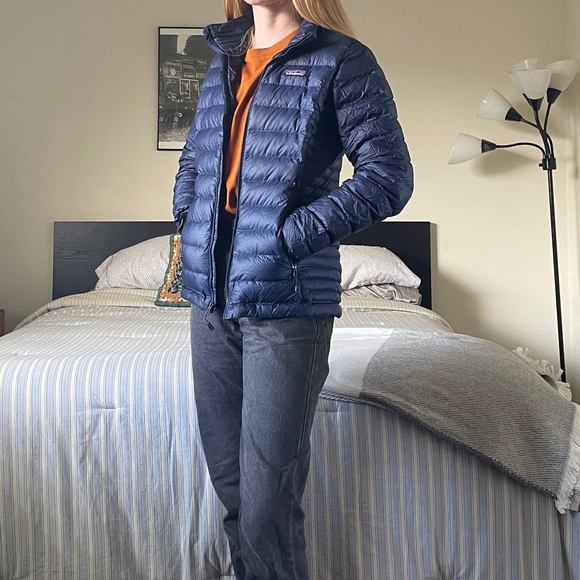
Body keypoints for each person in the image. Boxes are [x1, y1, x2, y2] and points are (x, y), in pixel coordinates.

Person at [172, 0, 413, 578]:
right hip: (209, 301)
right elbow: (196, 157)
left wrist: (289, 235)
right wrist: (188, 214)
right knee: (234, 493)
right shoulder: (224, 56)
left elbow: (388, 176)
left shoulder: (342, 59)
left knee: (267, 508)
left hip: (287, 303)